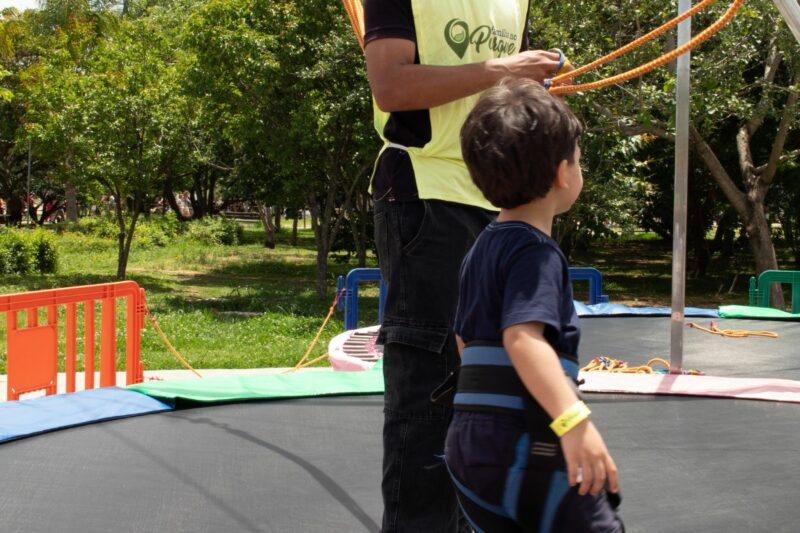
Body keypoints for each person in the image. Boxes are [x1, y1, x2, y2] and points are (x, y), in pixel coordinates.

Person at [363, 1, 570, 531]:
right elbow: (390, 87)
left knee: (487, 392)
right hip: (428, 197)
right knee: (433, 393)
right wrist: (505, 69)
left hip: (502, 202)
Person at [445, 78, 623, 532]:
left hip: (468, 446)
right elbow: (522, 339)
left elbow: (465, 339)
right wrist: (574, 422)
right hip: (525, 444)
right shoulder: (536, 252)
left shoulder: (480, 248)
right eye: (579, 162)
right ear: (564, 173)